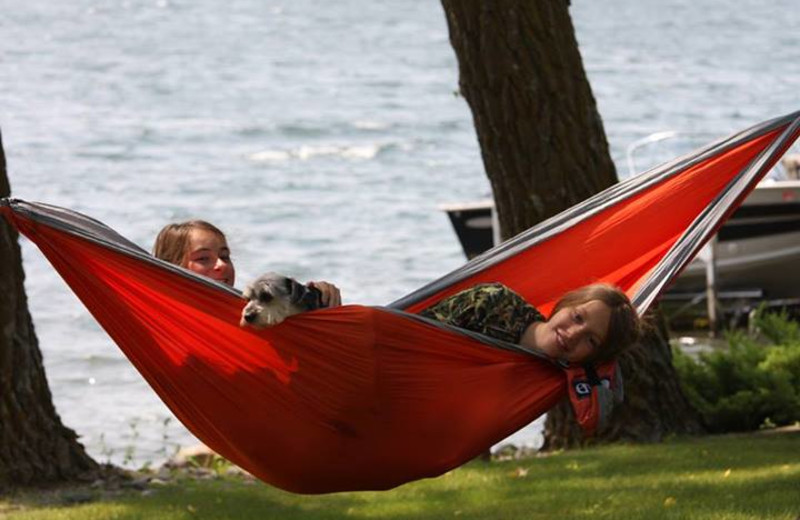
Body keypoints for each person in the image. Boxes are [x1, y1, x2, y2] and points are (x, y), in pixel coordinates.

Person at [420, 282, 639, 365]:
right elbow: (416, 335)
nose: (573, 334)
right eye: (577, 317)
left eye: (591, 340)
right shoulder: (493, 302)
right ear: (564, 304)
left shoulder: (552, 379)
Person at [152, 220, 342, 307]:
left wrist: (317, 295)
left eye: (225, 256)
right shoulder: (167, 323)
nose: (222, 265)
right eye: (203, 258)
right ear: (173, 267)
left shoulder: (249, 312)